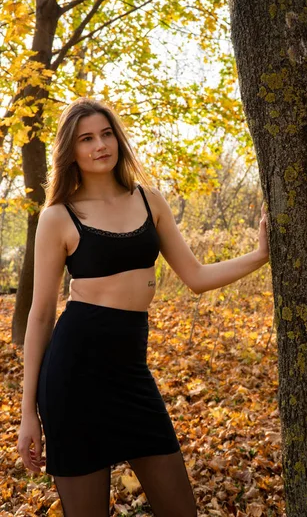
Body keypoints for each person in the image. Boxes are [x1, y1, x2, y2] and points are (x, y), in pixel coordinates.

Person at [17, 97, 269, 517]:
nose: (100, 145)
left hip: (132, 375)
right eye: (87, 138)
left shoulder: (149, 201)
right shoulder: (59, 216)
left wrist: (260, 255)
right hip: (73, 379)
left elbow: (196, 277)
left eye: (106, 133)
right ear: (71, 151)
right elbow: (40, 315)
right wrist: (28, 414)